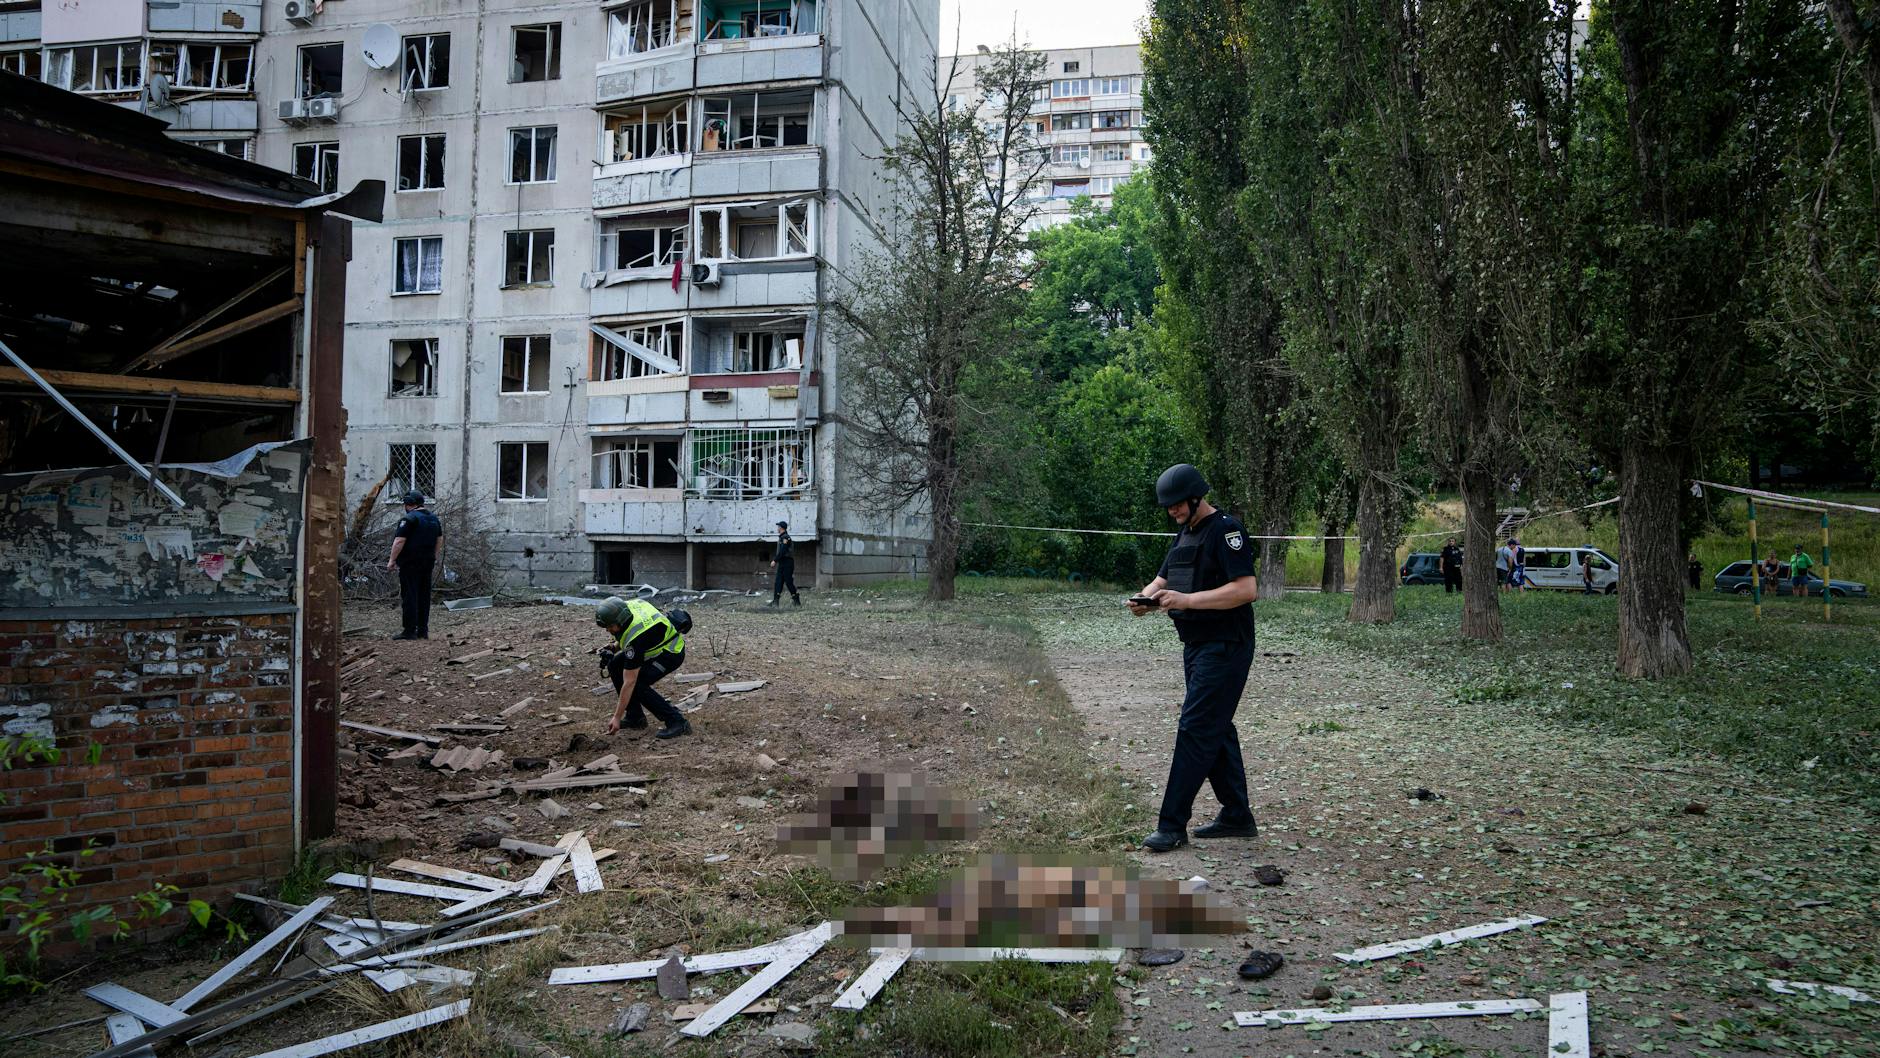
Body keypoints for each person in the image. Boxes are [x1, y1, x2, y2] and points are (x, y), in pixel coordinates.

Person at [1129, 463, 1260, 854]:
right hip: (1196, 645)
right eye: (1167, 507)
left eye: (1176, 504)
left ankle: (1171, 825)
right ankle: (1237, 815)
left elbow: (1246, 589)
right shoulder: (1185, 534)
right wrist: (1144, 598)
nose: (1172, 511)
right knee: (1215, 727)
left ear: (1196, 496)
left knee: (1195, 726)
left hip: (1227, 645)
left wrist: (1187, 601)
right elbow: (1164, 578)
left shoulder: (1226, 530)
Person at [594, 596, 692, 739]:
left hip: (670, 653)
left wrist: (616, 717)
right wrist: (613, 647)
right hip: (652, 643)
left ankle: (677, 722)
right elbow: (629, 632)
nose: (608, 630)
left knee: (637, 684)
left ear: (620, 620)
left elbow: (629, 682)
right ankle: (635, 718)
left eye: (610, 626)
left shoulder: (636, 639)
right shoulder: (628, 608)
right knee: (615, 665)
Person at [385, 491, 443, 641]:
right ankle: (423, 630)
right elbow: (439, 539)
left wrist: (392, 560)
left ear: (409, 503)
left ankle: (409, 630)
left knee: (410, 595)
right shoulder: (433, 519)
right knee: (424, 595)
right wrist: (434, 556)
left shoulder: (409, 519)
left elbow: (399, 541)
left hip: (410, 563)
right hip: (427, 562)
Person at [768, 520, 800, 607]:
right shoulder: (782, 537)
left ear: (781, 528)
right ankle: (775, 601)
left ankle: (796, 600)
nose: (777, 528)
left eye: (778, 527)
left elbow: (783, 550)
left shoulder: (786, 538)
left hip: (787, 562)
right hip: (782, 562)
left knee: (788, 582)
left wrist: (775, 560)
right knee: (778, 581)